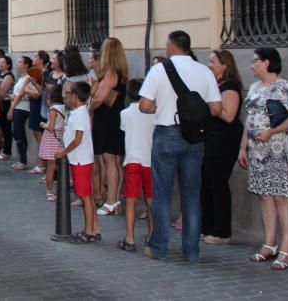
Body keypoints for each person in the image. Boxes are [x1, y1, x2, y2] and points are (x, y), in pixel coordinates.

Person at [138, 30, 222, 262]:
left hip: (167, 133)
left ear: (171, 46)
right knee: (191, 196)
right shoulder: (204, 71)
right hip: (195, 138)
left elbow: (144, 105)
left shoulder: (158, 70)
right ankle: (192, 251)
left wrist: (162, 108)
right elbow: (216, 110)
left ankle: (158, 248)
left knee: (162, 196)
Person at [239, 47, 288, 271]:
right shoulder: (255, 87)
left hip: (280, 151)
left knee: (282, 198)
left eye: (255, 61)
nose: (252, 65)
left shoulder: (283, 87)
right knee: (265, 196)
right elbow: (249, 120)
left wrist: (272, 132)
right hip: (257, 151)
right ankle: (270, 243)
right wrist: (243, 148)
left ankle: (286, 249)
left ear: (267, 62)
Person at [200, 49, 244, 245]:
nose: (209, 65)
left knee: (218, 183)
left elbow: (228, 115)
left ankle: (222, 230)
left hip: (224, 140)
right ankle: (208, 226)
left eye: (213, 62)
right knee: (206, 182)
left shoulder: (230, 87)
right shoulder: (214, 85)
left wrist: (210, 104)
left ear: (225, 65)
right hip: (211, 138)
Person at [56, 81, 98, 243]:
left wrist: (63, 152)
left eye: (68, 95)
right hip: (79, 159)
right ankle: (94, 227)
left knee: (85, 195)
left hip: (81, 159)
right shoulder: (79, 112)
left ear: (75, 96)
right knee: (87, 195)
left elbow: (78, 139)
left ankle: (89, 231)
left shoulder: (80, 114)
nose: (67, 98)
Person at [92, 38, 128, 217]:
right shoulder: (121, 74)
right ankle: (116, 198)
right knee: (115, 161)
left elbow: (99, 98)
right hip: (115, 119)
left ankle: (111, 200)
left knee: (110, 161)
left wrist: (88, 108)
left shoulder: (110, 74)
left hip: (107, 121)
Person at [118, 78, 155, 252]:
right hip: (150, 160)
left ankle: (130, 238)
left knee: (131, 200)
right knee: (151, 201)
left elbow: (124, 129)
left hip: (132, 159)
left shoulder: (125, 113)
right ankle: (152, 234)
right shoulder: (153, 113)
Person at [7, 56, 38, 171]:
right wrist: (13, 96)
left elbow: (26, 94)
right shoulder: (21, 78)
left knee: (18, 132)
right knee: (16, 133)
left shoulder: (29, 78)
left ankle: (23, 161)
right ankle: (21, 159)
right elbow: (17, 93)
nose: (17, 64)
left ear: (26, 65)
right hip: (17, 106)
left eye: (20, 62)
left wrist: (12, 107)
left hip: (23, 108)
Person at [39, 85, 66, 201]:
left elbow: (50, 127)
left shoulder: (53, 109)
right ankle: (62, 189)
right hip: (61, 137)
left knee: (50, 166)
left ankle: (49, 191)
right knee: (62, 165)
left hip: (51, 138)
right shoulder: (65, 108)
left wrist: (42, 124)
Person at [27, 51, 48, 175]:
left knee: (40, 136)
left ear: (41, 59)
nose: (33, 58)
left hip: (41, 105)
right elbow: (27, 87)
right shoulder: (34, 72)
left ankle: (42, 164)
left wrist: (34, 85)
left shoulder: (45, 73)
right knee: (36, 133)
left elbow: (42, 91)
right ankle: (42, 163)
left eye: (35, 57)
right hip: (34, 104)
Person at [0, 55, 15, 161]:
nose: (0, 64)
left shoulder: (8, 76)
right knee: (1, 127)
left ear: (8, 65)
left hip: (6, 104)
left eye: (3, 62)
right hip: (1, 104)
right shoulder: (1, 75)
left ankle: (7, 151)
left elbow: (2, 92)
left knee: (6, 128)